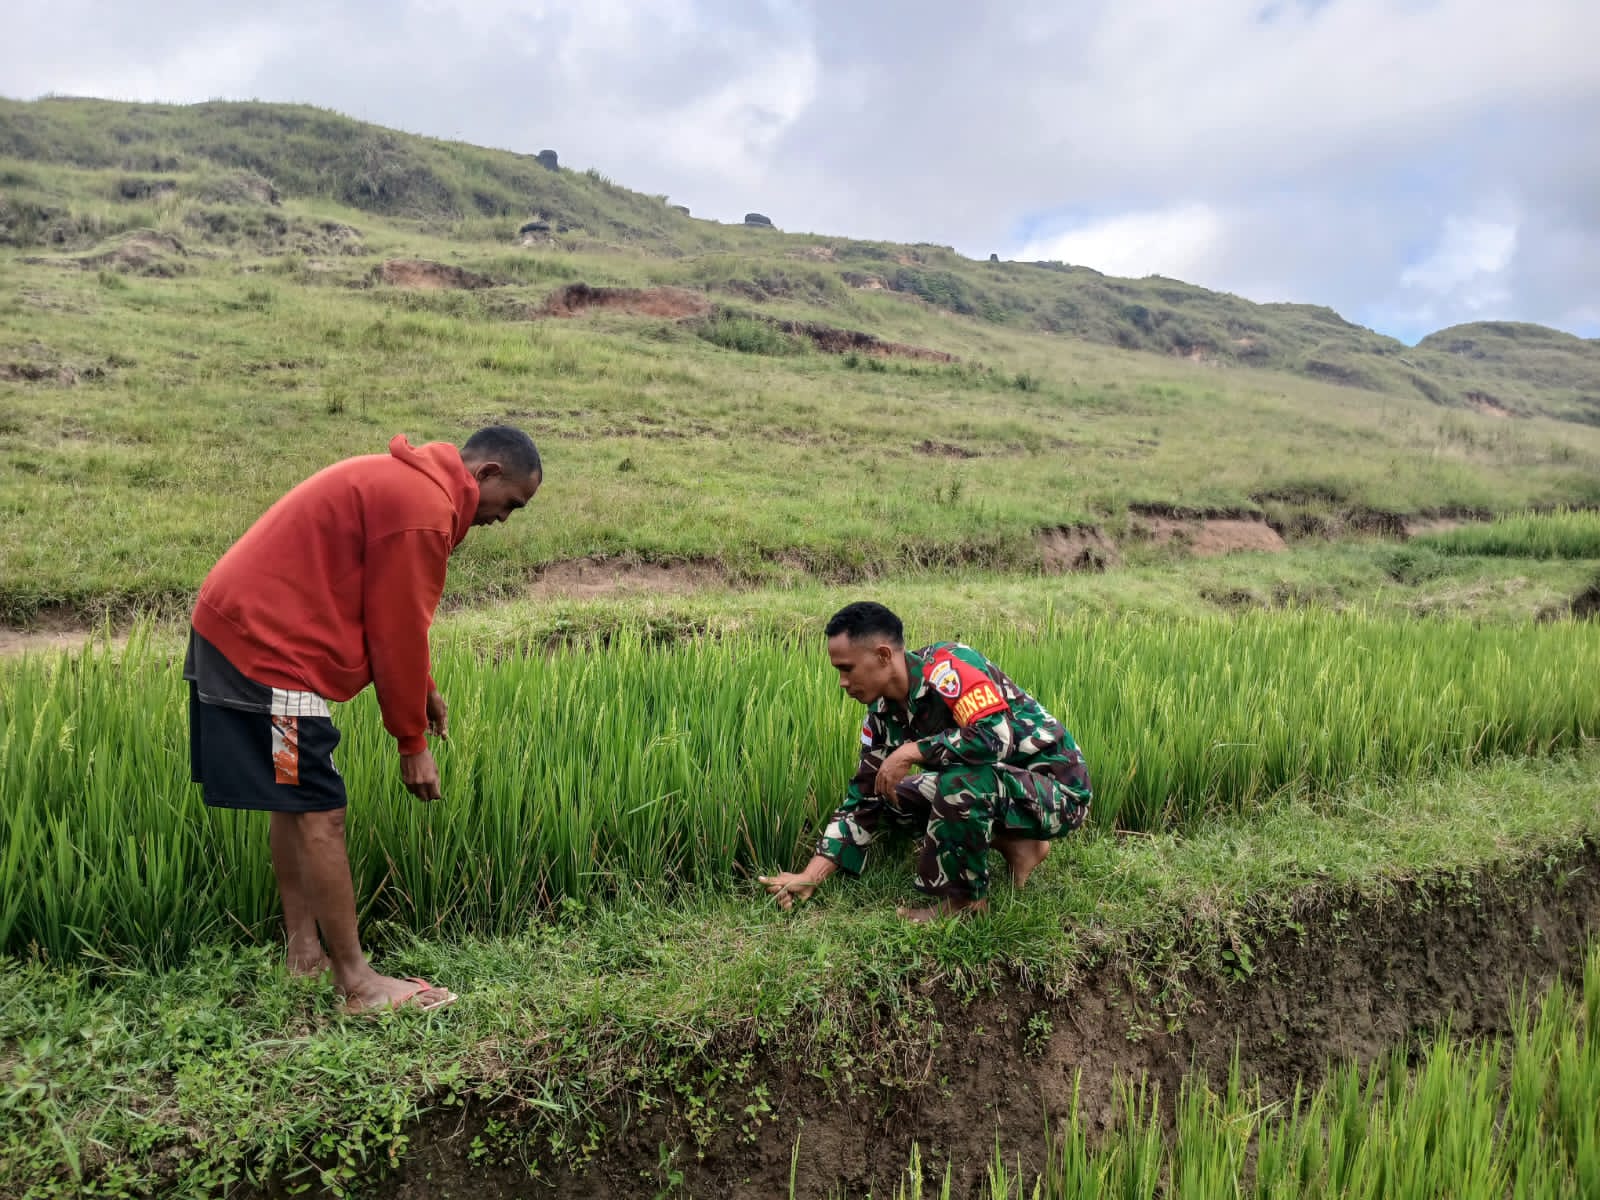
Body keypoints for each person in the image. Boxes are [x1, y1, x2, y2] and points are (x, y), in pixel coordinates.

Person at [185, 426, 542, 1012]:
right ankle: (357, 984)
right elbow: (397, 632)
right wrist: (411, 743)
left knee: (292, 796)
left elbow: (388, 613)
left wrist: (422, 689)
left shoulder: (411, 488)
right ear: (487, 474)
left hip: (246, 633)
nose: (503, 519)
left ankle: (304, 953)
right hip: (268, 651)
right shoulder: (424, 510)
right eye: (511, 505)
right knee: (321, 810)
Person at [760, 601, 1091, 921]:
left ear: (883, 655)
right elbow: (863, 799)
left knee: (961, 784)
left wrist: (911, 750)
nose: (843, 683)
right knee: (888, 793)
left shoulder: (947, 668)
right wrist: (811, 875)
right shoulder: (881, 714)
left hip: (1058, 794)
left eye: (847, 669)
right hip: (1001, 787)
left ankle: (965, 903)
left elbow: (996, 736)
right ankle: (1018, 845)